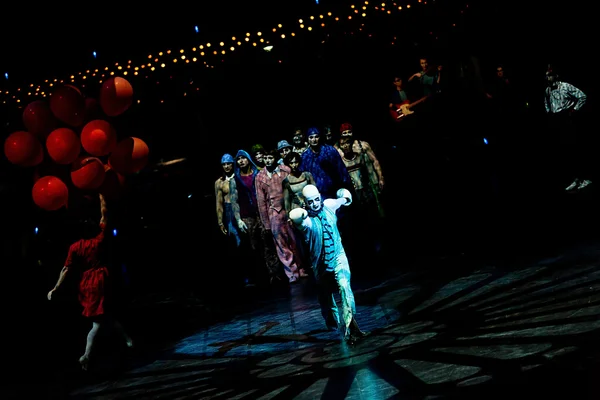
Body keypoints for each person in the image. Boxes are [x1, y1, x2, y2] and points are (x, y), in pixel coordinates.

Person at [47, 193, 133, 371]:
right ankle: (114, 344)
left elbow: (66, 269)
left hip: (87, 284)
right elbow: (105, 214)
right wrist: (102, 194)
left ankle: (121, 341)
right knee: (101, 320)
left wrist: (55, 288)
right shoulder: (99, 240)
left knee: (101, 319)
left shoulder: (75, 247)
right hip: (101, 280)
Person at [289, 185, 367, 345]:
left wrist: (344, 197)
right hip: (320, 265)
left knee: (345, 287)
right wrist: (302, 211)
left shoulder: (329, 206)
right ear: (306, 203)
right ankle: (334, 323)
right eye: (311, 202)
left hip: (339, 256)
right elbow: (294, 215)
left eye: (317, 199)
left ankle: (351, 326)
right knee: (327, 299)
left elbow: (343, 199)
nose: (316, 204)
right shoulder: (307, 222)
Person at [544, 66, 589, 191]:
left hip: (566, 119)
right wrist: (550, 115)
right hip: (556, 120)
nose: (548, 77)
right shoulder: (547, 90)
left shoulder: (565, 86)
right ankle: (574, 178)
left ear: (556, 75)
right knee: (564, 150)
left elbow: (582, 96)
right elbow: (547, 103)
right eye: (546, 75)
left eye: (550, 74)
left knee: (573, 147)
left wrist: (574, 110)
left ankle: (583, 178)